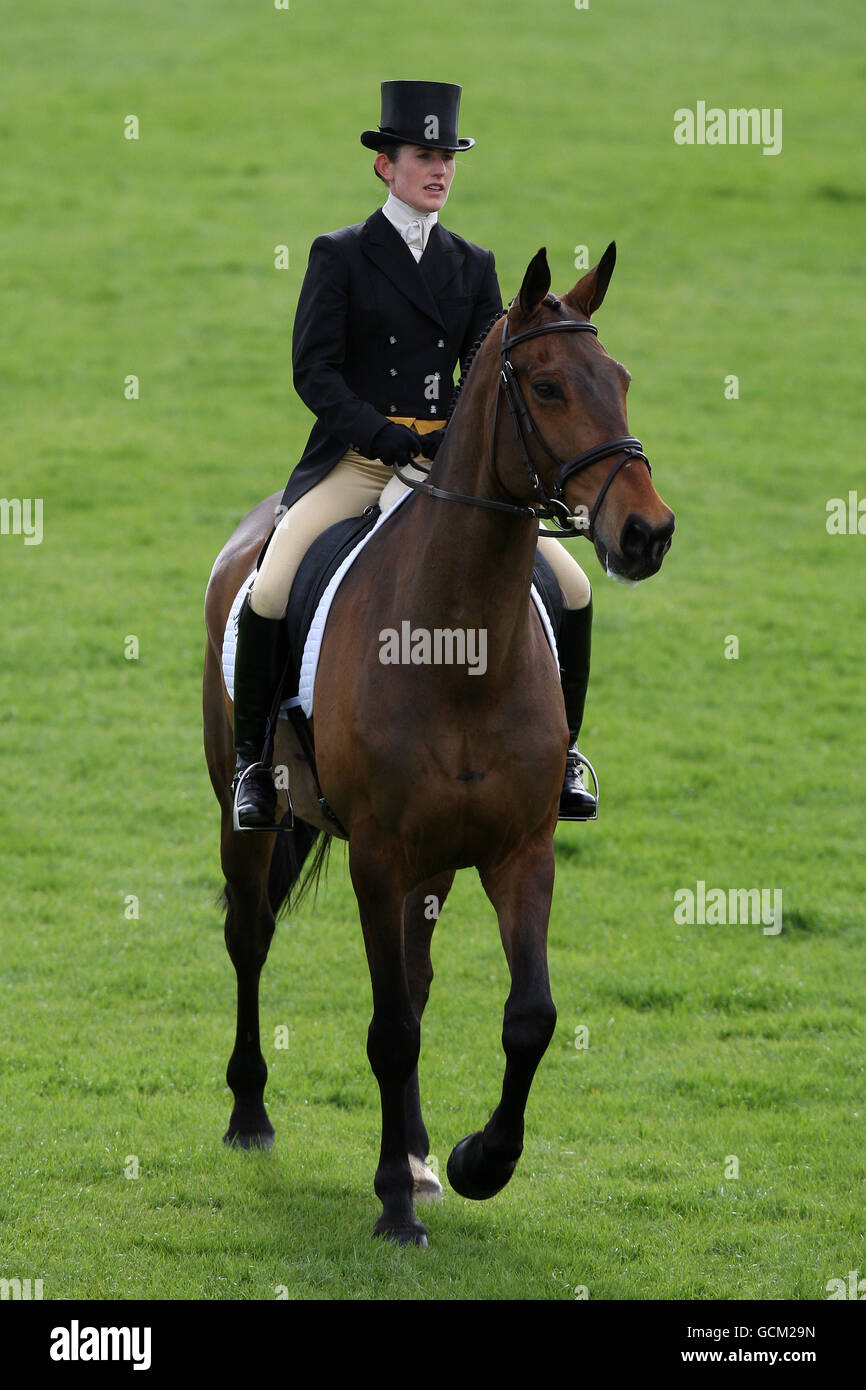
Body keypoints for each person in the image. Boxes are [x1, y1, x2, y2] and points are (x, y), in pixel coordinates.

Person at [231, 80, 597, 829]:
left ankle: (565, 758)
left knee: (575, 585)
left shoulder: (473, 263)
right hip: (358, 462)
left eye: (448, 157)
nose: (439, 170)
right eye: (424, 156)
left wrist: (449, 440)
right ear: (385, 167)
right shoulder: (339, 255)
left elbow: (486, 373)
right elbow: (314, 372)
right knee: (269, 586)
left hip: (444, 469)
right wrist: (381, 434)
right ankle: (254, 768)